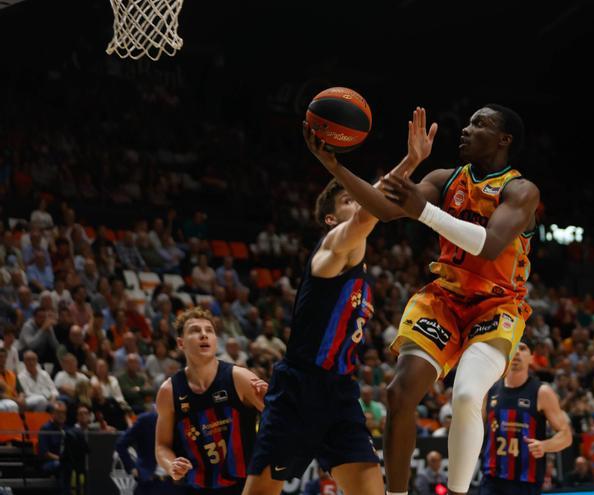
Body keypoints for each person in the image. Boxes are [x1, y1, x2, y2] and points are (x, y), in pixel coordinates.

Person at [316, 105, 539, 495]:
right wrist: (335, 167)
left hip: (498, 304)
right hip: (444, 297)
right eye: (468, 122)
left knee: (468, 393)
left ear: (505, 140)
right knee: (399, 393)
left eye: (480, 124)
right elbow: (384, 207)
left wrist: (423, 211)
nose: (466, 130)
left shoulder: (521, 191)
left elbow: (490, 246)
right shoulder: (444, 178)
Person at [243, 110, 436, 495]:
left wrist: (412, 162)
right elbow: (369, 214)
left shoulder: (360, 266)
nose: (361, 200)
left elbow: (369, 210)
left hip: (340, 393)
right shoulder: (330, 250)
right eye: (349, 199)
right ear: (331, 219)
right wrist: (410, 162)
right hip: (299, 390)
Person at [155, 307, 267, 494]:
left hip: (246, 485)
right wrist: (171, 465)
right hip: (197, 486)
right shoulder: (169, 391)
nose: (204, 335)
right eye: (195, 330)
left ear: (216, 341)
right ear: (181, 343)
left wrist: (269, 402)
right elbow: (162, 446)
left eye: (209, 330)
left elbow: (280, 416)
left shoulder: (239, 378)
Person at [480, 339, 571, 495]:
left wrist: (545, 446)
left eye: (522, 348)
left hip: (525, 482)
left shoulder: (542, 392)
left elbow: (566, 436)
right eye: (513, 348)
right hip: (491, 479)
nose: (516, 352)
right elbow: (477, 429)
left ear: (531, 357)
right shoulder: (489, 390)